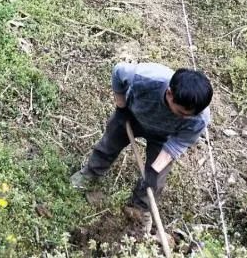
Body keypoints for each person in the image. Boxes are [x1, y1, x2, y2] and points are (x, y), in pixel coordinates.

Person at [70, 63, 212, 236]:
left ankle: (137, 210)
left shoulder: (199, 118)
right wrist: (121, 108)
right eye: (182, 113)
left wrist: (153, 171)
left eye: (190, 115)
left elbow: (176, 145)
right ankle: (89, 173)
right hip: (131, 116)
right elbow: (117, 72)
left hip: (164, 137)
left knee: (156, 179)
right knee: (108, 146)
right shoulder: (146, 78)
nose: (186, 117)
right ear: (169, 94)